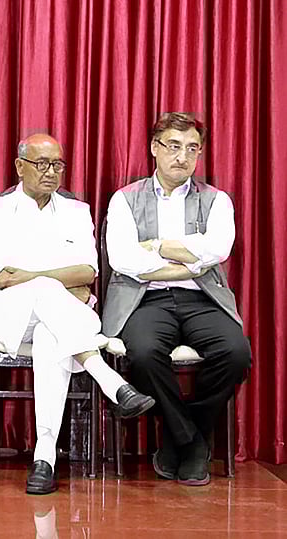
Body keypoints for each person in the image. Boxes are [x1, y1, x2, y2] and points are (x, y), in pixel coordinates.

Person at [0, 133, 155, 494]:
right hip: (5, 315)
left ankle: (44, 459)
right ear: (19, 167)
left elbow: (88, 273)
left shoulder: (77, 212)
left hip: (57, 321)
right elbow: (4, 278)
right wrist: (56, 278)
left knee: (50, 336)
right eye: (42, 164)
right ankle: (108, 378)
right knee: (47, 292)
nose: (51, 172)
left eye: (57, 164)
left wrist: (32, 274)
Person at [103, 112, 251, 486]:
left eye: (191, 149)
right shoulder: (125, 199)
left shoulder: (216, 200)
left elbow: (217, 249)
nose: (181, 157)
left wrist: (157, 248)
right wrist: (190, 260)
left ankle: (178, 439)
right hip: (144, 300)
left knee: (235, 353)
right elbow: (123, 260)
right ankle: (193, 441)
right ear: (155, 148)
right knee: (143, 354)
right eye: (173, 146)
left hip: (202, 299)